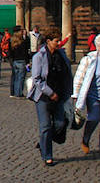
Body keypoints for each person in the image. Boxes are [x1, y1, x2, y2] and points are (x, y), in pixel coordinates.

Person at [28, 26, 72, 166]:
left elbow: (67, 74)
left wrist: (68, 92)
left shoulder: (61, 55)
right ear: (48, 41)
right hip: (43, 96)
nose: (58, 44)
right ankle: (47, 155)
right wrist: (50, 92)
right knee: (45, 126)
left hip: (59, 95)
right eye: (56, 41)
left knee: (60, 124)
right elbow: (37, 79)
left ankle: (43, 142)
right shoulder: (39, 57)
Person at [8, 27, 31, 98]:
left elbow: (10, 52)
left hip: (15, 61)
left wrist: (11, 60)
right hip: (22, 60)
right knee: (21, 78)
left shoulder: (11, 41)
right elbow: (25, 53)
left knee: (15, 77)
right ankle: (19, 93)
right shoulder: (22, 42)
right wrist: (28, 62)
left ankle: (13, 93)